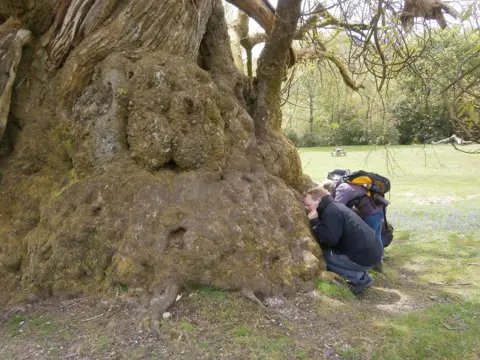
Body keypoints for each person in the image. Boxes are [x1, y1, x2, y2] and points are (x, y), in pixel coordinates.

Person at [304, 186, 383, 295]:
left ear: (318, 200)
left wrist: (315, 221)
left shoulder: (331, 211)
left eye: (308, 204)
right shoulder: (336, 206)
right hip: (373, 252)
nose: (306, 207)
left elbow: (330, 240)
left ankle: (359, 280)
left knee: (326, 256)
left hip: (366, 256)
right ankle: (361, 274)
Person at [322, 179, 385, 272]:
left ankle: (365, 266)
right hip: (379, 211)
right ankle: (378, 263)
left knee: (367, 240)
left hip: (371, 215)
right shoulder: (349, 184)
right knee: (377, 237)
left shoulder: (342, 189)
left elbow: (337, 206)